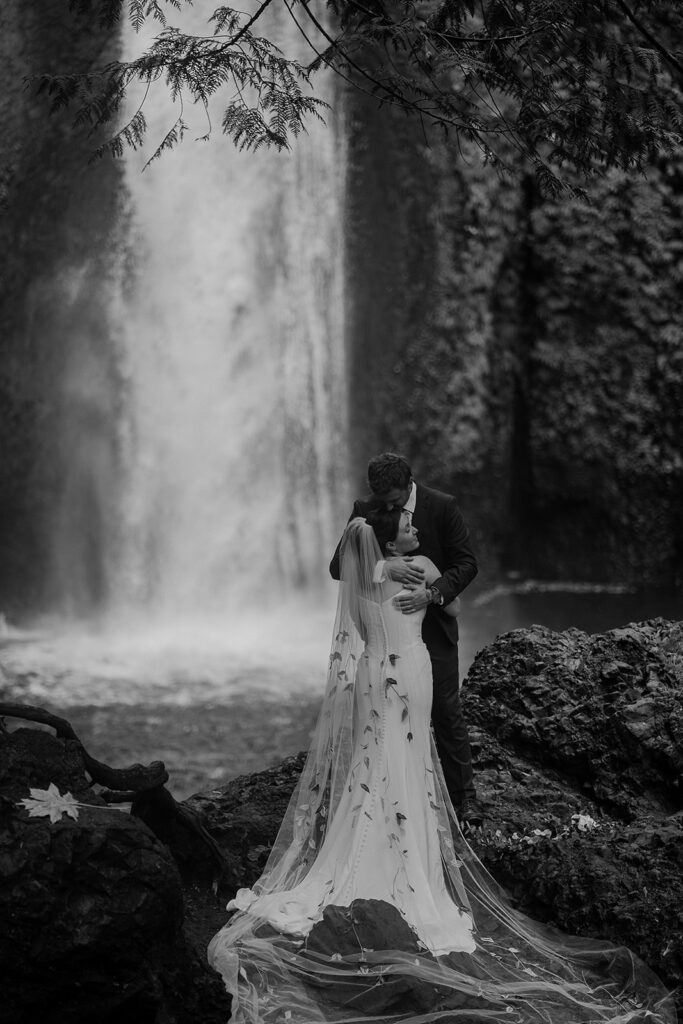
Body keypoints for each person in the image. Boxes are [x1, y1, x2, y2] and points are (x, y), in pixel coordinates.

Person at [208, 513, 675, 1024]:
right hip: (409, 668)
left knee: (374, 759)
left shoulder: (363, 579)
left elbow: (363, 622)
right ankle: (411, 868)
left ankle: (357, 856)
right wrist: (430, 594)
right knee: (409, 757)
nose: (416, 528)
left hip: (370, 674)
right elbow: (451, 605)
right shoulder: (423, 566)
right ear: (391, 540)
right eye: (408, 526)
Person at [330, 452, 481, 826]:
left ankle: (465, 799)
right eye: (381, 500)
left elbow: (466, 563)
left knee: (446, 711)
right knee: (385, 723)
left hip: (433, 627)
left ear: (409, 484)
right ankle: (390, 806)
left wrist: (432, 594)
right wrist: (385, 565)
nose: (387, 506)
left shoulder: (442, 506)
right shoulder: (366, 509)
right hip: (386, 631)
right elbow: (338, 566)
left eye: (394, 499)